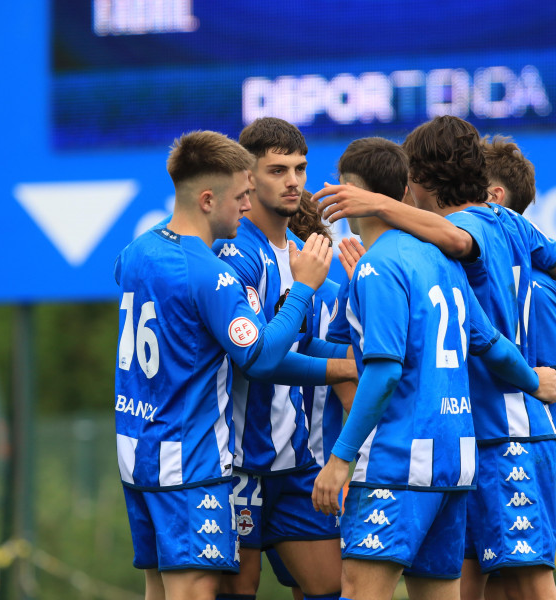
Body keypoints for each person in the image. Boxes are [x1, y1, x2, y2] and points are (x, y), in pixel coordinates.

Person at [313, 117, 556, 600]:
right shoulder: (505, 226)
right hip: (467, 439)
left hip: (499, 431)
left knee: (529, 587)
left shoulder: (451, 235)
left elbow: (461, 243)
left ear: (415, 181)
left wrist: (382, 209)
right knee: (468, 585)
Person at [113, 130, 336, 600]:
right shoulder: (212, 273)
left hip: (139, 454)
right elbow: (257, 355)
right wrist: (303, 288)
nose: (245, 206)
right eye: (241, 196)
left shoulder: (136, 253)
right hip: (192, 461)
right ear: (209, 199)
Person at [212, 118, 354, 600]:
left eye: (299, 168)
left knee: (330, 586)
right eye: (277, 170)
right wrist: (343, 366)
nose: (293, 180)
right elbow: (257, 359)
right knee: (239, 589)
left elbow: (309, 345)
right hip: (239, 462)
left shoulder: (299, 253)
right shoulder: (235, 252)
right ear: (248, 179)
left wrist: (374, 358)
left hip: (295, 463)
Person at [482, 135, 556, 600]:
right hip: (478, 444)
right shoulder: (476, 267)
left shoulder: (535, 283)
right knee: (496, 583)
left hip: (516, 445)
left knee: (532, 584)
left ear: (495, 198)